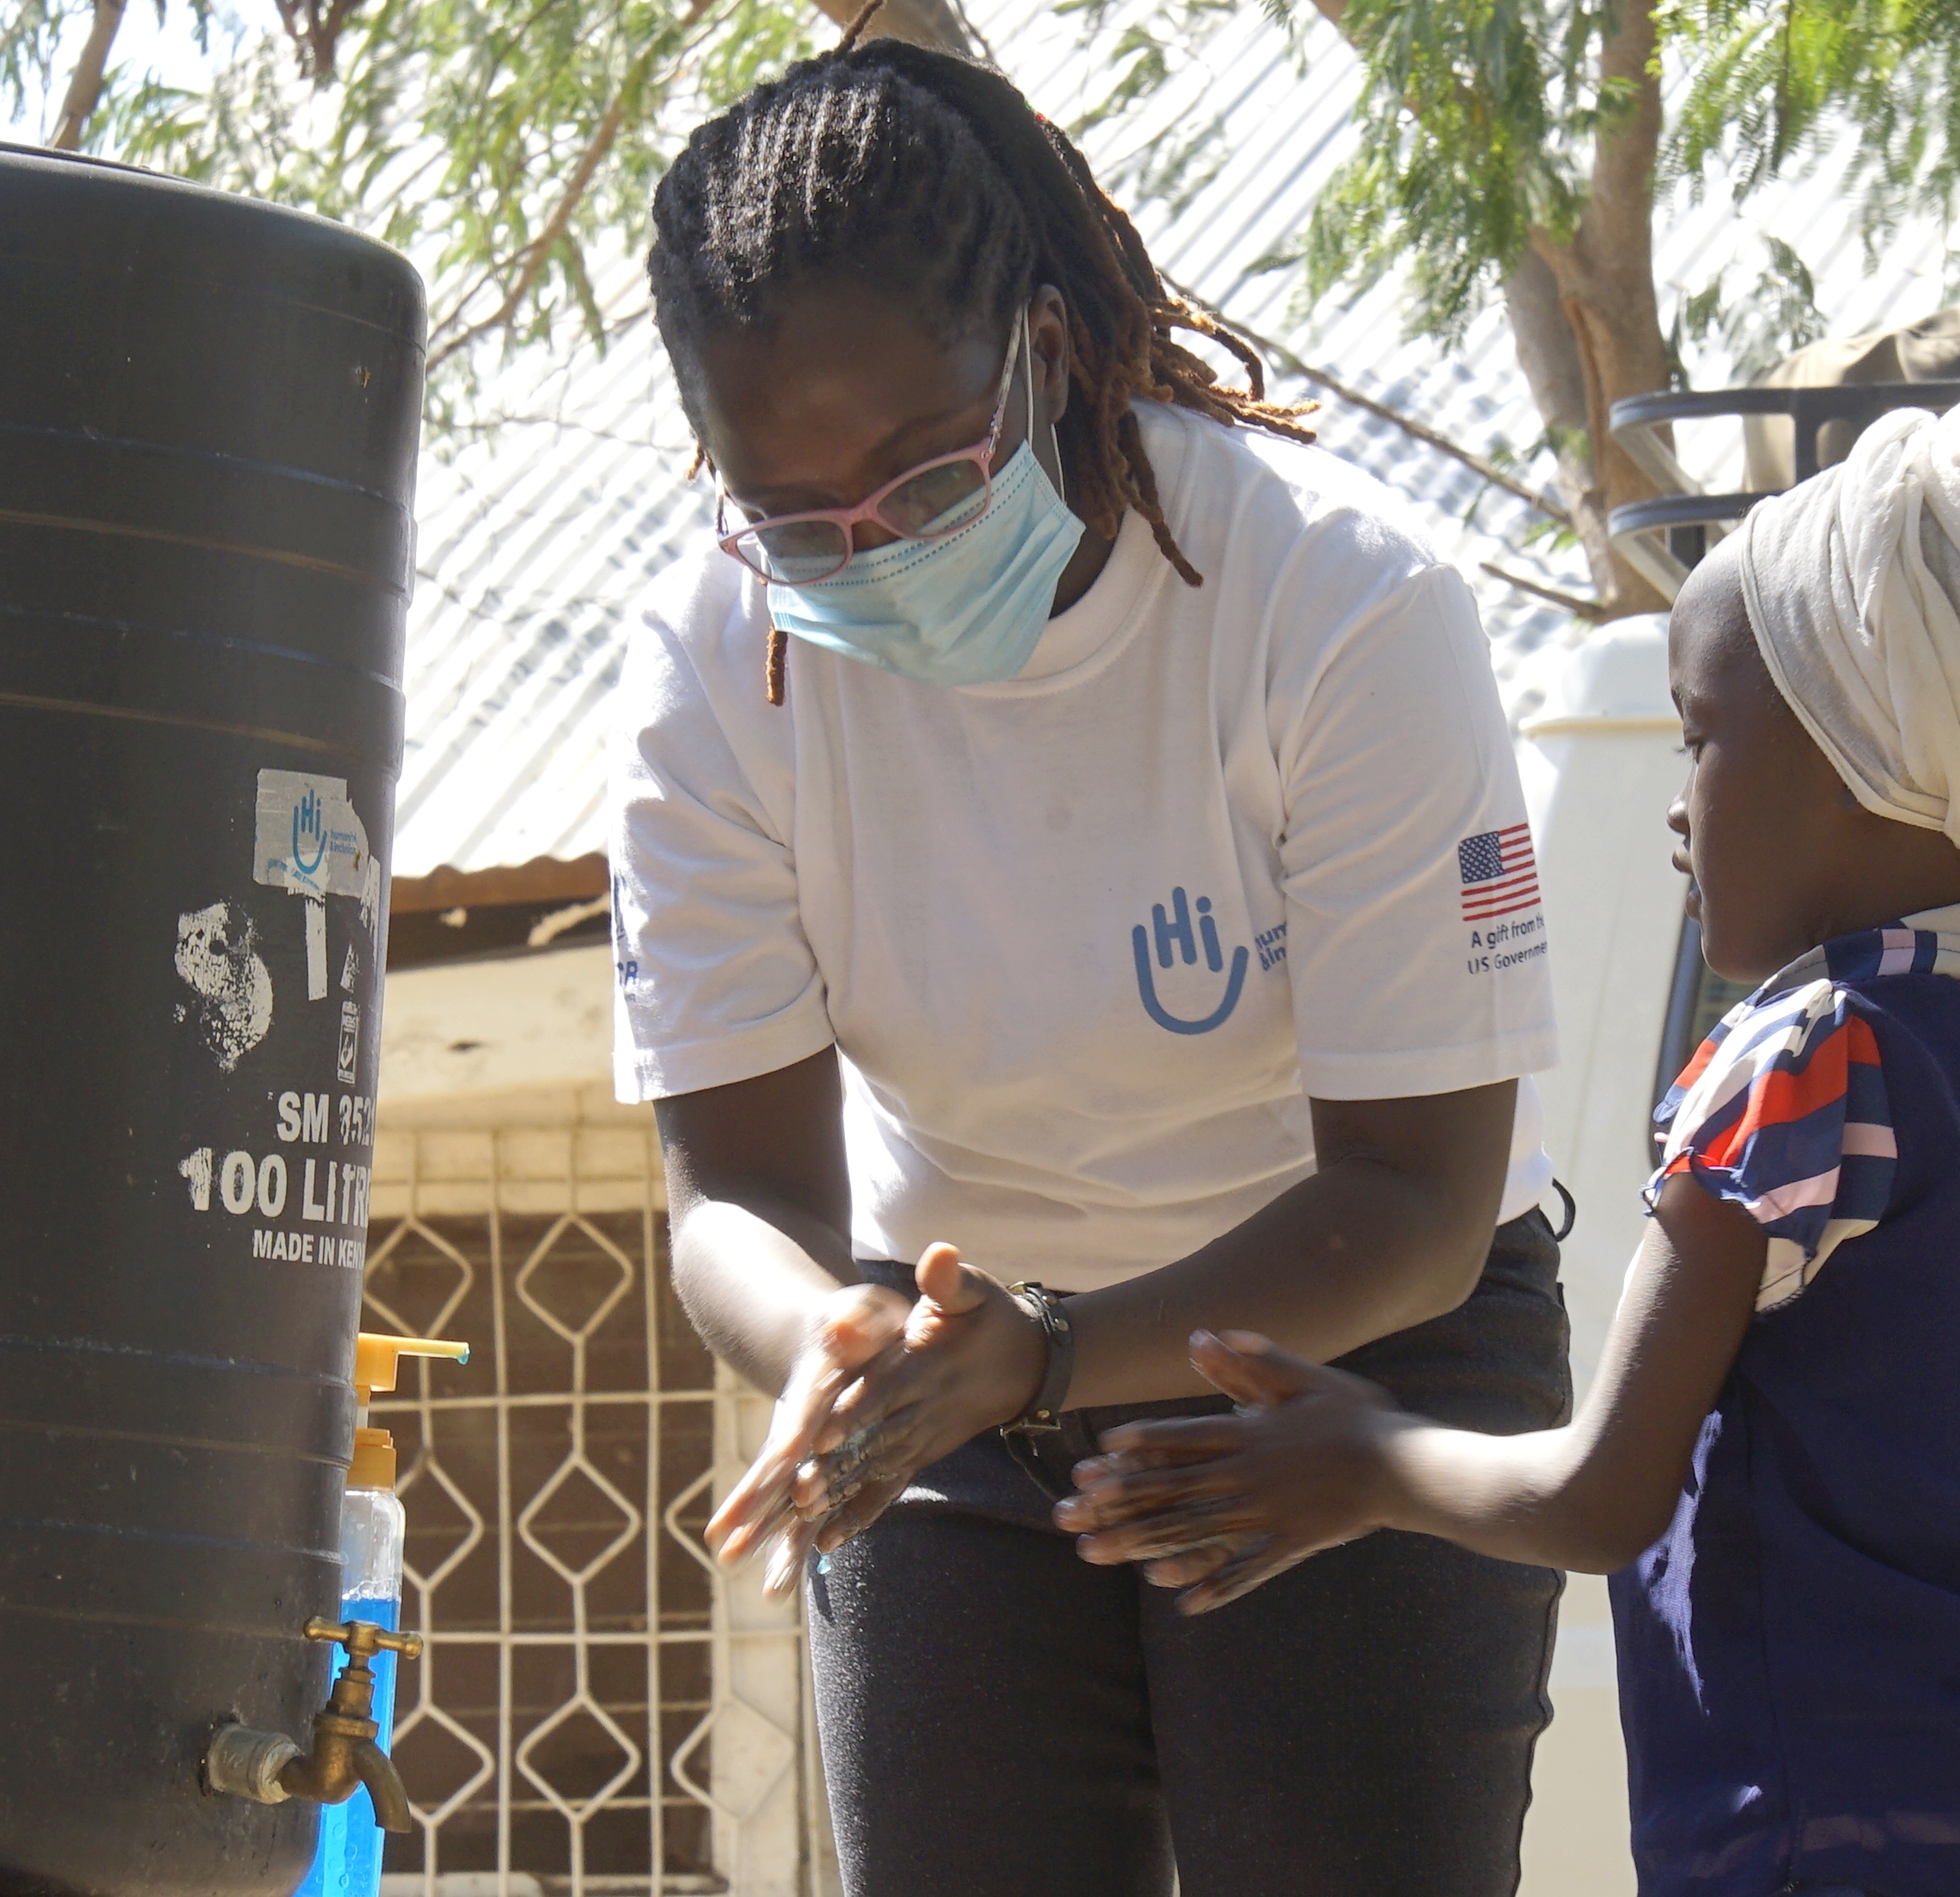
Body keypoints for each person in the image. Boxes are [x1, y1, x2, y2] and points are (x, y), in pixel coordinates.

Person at [1057, 382, 1960, 1897]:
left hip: (1835, 1833)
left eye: (1702, 743)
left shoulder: (1802, 1060)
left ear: (1866, 758)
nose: (1680, 811)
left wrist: (1358, 1460)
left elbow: (1601, 1496)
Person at [611, 30, 1569, 1897]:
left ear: (1044, 346)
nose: (867, 551)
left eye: (923, 478)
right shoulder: (713, 674)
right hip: (952, 1373)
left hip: (1350, 1356)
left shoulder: (1341, 610)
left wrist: (1045, 1356)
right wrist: (833, 1339)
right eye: (795, 519)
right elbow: (735, 1192)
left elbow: (1420, 1196)